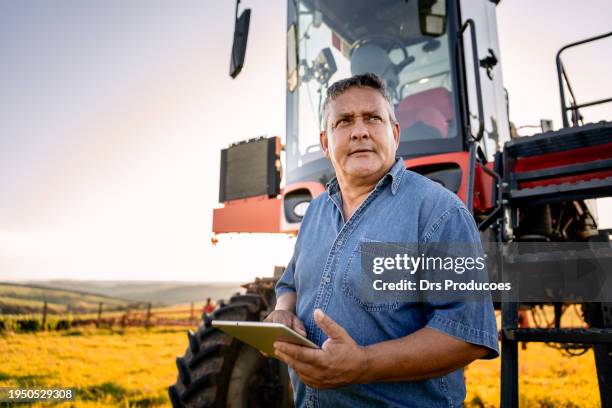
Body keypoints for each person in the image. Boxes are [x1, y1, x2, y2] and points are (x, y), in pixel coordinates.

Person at [264, 73, 499, 407]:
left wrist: (362, 364)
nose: (360, 130)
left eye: (373, 118)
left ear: (396, 133)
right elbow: (290, 285)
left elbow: (468, 335)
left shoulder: (440, 211)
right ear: (326, 142)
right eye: (344, 121)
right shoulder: (315, 212)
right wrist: (282, 312)